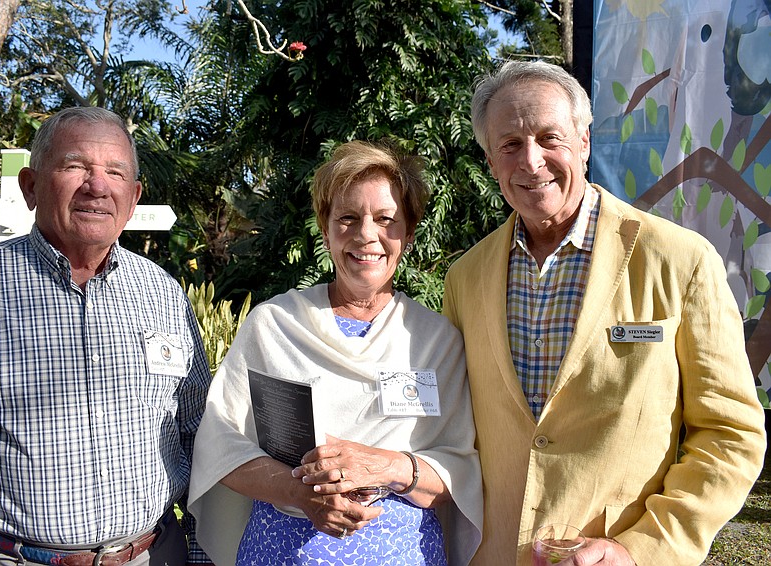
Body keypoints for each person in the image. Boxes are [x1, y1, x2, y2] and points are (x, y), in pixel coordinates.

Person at [442, 59, 768, 565]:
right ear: (490, 160)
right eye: (510, 144)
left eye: (550, 138)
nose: (531, 161)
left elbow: (730, 434)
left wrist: (640, 550)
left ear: (585, 141)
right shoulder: (465, 278)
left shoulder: (681, 261)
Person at [0, 107, 212, 565]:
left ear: (133, 197)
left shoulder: (164, 293)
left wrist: (200, 555)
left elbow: (199, 437)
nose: (97, 186)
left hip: (154, 555)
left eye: (114, 172)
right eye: (75, 166)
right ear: (30, 186)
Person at [188, 140, 483, 565]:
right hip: (282, 552)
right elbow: (220, 447)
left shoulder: (436, 341)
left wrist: (386, 467)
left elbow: (457, 476)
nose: (367, 235)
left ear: (409, 233)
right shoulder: (274, 325)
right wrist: (300, 492)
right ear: (325, 230)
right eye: (347, 218)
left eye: (386, 219)